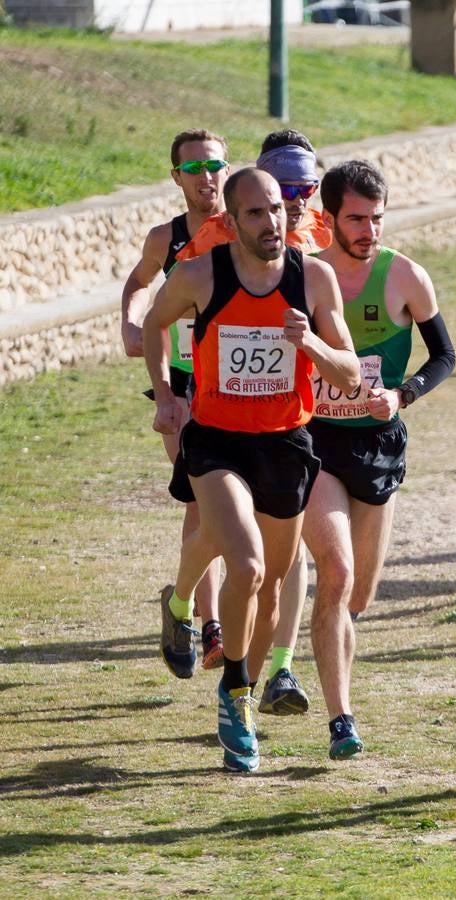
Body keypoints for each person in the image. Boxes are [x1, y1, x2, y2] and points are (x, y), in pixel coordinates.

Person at [143, 168, 361, 773]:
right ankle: (236, 698)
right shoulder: (198, 274)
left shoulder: (312, 277)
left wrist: (310, 345)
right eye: (257, 214)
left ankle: (189, 616)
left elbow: (348, 374)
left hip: (285, 445)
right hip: (215, 442)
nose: (273, 223)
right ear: (231, 222)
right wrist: (165, 392)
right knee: (247, 563)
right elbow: (155, 324)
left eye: (278, 210)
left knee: (266, 594)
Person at [269, 160, 455, 760]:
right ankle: (340, 719)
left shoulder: (406, 277)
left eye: (377, 218)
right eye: (356, 218)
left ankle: (321, 657)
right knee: (338, 571)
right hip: (314, 441)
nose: (368, 229)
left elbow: (445, 357)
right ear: (327, 217)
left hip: (377, 444)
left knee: (358, 597)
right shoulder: (303, 276)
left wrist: (402, 394)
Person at [122, 129, 231, 678]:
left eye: (215, 165)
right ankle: (209, 626)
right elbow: (137, 284)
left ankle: (188, 607)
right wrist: (129, 320)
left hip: (234, 385)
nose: (206, 176)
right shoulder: (164, 239)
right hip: (185, 384)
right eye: (194, 168)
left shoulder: (245, 231)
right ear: (176, 178)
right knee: (202, 500)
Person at [177, 129, 331, 262]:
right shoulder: (216, 234)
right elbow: (176, 291)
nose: (299, 201)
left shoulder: (323, 230)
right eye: (287, 190)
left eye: (307, 189)